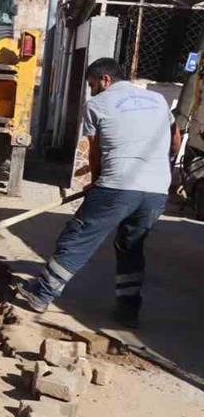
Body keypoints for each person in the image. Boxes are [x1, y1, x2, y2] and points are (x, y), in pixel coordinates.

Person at [16, 59, 180, 328]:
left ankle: (41, 293)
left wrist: (96, 181)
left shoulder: (97, 105)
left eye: (92, 85)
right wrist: (159, 168)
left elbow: (93, 150)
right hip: (157, 191)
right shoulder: (159, 100)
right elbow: (174, 140)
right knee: (131, 246)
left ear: (105, 80)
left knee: (79, 237)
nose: (91, 91)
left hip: (117, 186)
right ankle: (128, 311)